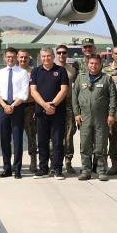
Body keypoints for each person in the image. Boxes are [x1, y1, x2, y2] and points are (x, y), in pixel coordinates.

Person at [72, 54, 117, 181]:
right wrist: (76, 113)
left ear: (100, 65)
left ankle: (101, 170)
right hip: (85, 118)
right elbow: (74, 96)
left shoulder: (106, 79)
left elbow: (113, 98)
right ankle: (86, 170)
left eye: (96, 63)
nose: (93, 66)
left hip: (101, 118)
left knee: (101, 145)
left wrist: (111, 114)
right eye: (91, 63)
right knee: (85, 145)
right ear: (88, 64)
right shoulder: (80, 78)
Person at [30, 48, 70, 179]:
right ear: (40, 57)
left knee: (58, 142)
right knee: (42, 141)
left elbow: (64, 90)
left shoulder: (61, 71)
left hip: (57, 112)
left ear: (53, 57)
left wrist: (52, 105)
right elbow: (33, 91)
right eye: (43, 56)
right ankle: (43, 169)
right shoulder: (35, 71)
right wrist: (45, 105)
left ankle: (57, 169)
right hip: (41, 112)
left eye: (48, 56)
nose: (46, 58)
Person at [0, 47, 30, 178]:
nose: (10, 59)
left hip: (17, 107)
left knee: (18, 139)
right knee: (4, 139)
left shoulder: (23, 73)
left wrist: (12, 106)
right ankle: (7, 168)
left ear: (16, 57)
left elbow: (24, 94)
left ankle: (17, 169)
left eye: (13, 57)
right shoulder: (0, 73)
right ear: (4, 58)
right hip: (3, 107)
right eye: (8, 57)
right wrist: (4, 105)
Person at [102, 45, 117, 175]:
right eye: (116, 53)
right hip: (113, 108)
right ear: (112, 55)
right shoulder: (106, 71)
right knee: (112, 137)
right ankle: (114, 164)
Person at [61, 43, 84, 174]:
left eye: (64, 52)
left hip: (69, 105)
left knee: (69, 134)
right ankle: (54, 161)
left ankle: (68, 161)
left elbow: (77, 88)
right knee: (54, 135)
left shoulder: (72, 70)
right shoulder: (53, 68)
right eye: (59, 53)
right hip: (55, 106)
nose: (61, 55)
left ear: (67, 54)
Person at [16, 48, 39, 171]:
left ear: (29, 58)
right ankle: (16, 162)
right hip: (16, 107)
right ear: (17, 58)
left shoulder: (34, 72)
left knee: (31, 135)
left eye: (25, 57)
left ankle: (33, 160)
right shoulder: (13, 72)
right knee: (16, 136)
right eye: (21, 57)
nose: (23, 59)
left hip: (30, 107)